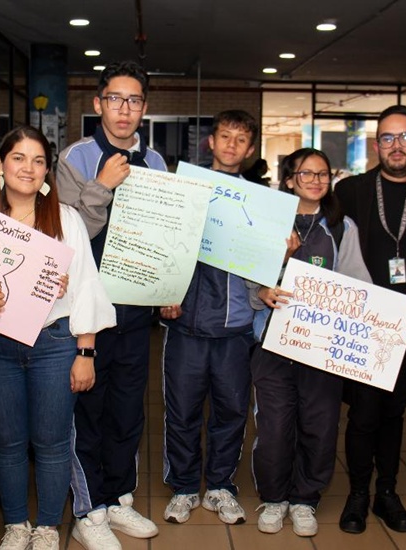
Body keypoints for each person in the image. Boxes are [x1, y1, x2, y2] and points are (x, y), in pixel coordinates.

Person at [0, 126, 116, 550]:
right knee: (7, 442)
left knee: (53, 442)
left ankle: (46, 527)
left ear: (47, 170)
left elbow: (86, 289)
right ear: (0, 165)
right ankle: (16, 525)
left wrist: (86, 352)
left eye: (38, 160)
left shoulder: (66, 220)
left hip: (53, 344)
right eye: (19, 158)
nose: (29, 167)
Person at [56, 60, 166, 550]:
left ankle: (118, 497)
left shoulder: (157, 163)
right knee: (89, 411)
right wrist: (103, 184)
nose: (125, 110)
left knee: (128, 409)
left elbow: (166, 239)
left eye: (135, 100)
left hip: (137, 311)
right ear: (98, 104)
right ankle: (89, 508)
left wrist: (169, 287)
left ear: (144, 108)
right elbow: (69, 237)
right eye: (115, 99)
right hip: (88, 315)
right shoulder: (74, 159)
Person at [250, 148, 374, 538]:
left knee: (320, 426)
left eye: (323, 174)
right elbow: (251, 279)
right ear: (289, 180)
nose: (317, 181)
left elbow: (359, 286)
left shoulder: (342, 227)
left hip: (322, 348)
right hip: (272, 343)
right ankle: (273, 498)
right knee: (274, 426)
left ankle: (305, 498)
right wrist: (265, 287)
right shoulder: (270, 223)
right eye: (307, 174)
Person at [334, 105, 406, 535]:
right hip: (364, 324)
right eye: (388, 138)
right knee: (363, 415)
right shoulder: (351, 191)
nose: (397, 146)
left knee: (394, 414)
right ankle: (358, 493)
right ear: (376, 144)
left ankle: (388, 493)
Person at [158, 110, 258, 525]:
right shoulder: (186, 189)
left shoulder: (261, 204)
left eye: (240, 139)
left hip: (235, 327)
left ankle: (219, 486)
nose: (231, 145)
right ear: (210, 143)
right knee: (181, 411)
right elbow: (163, 242)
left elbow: (264, 268)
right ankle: (183, 487)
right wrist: (164, 292)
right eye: (225, 136)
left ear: (249, 150)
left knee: (231, 411)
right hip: (186, 323)